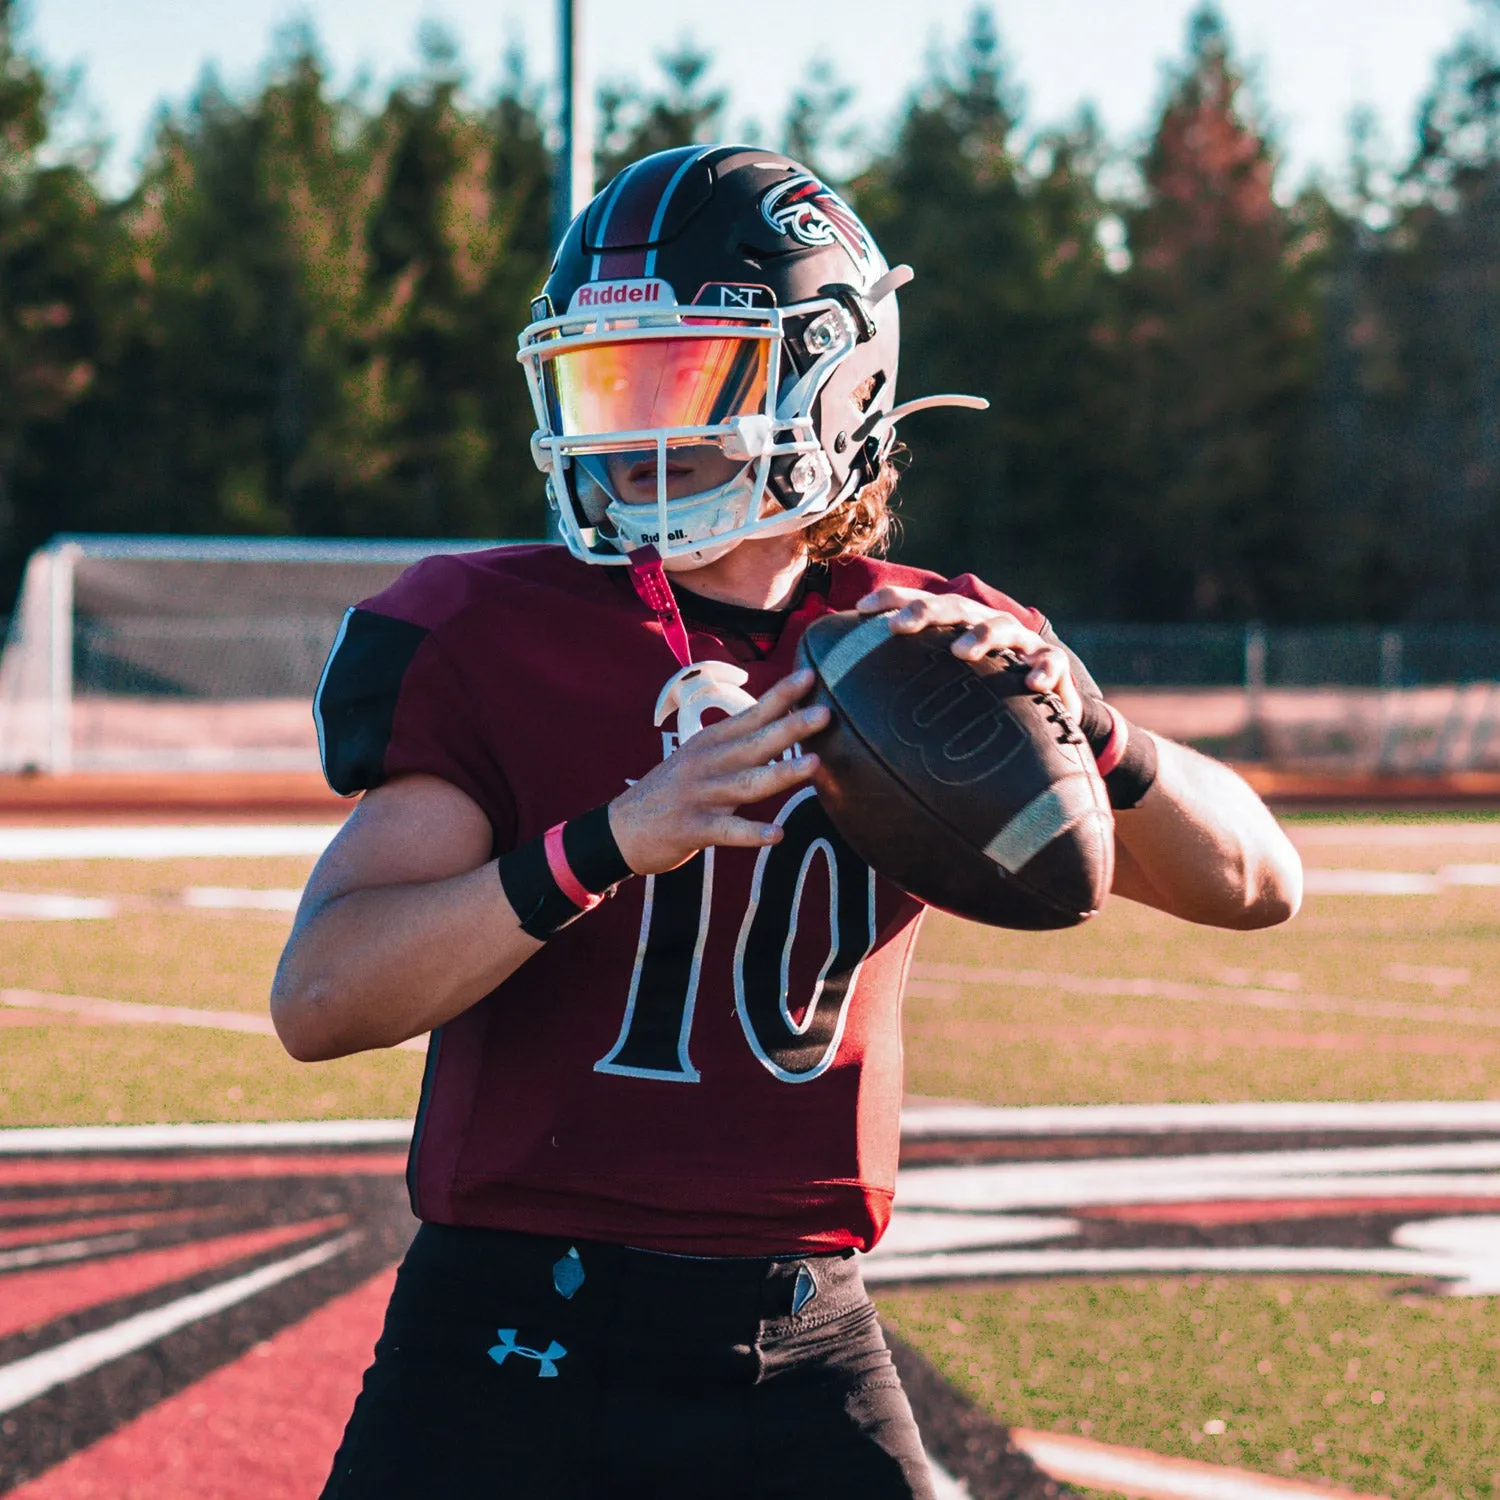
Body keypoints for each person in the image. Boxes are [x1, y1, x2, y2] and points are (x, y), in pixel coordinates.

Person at [272, 145, 1302, 1500]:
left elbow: (1259, 880)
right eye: (602, 379)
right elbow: (324, 997)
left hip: (796, 1331)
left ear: (832, 380)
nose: (628, 431)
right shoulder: (486, 630)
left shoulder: (930, 643)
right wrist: (614, 840)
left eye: (679, 376)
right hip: (510, 1325)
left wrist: (1090, 725)